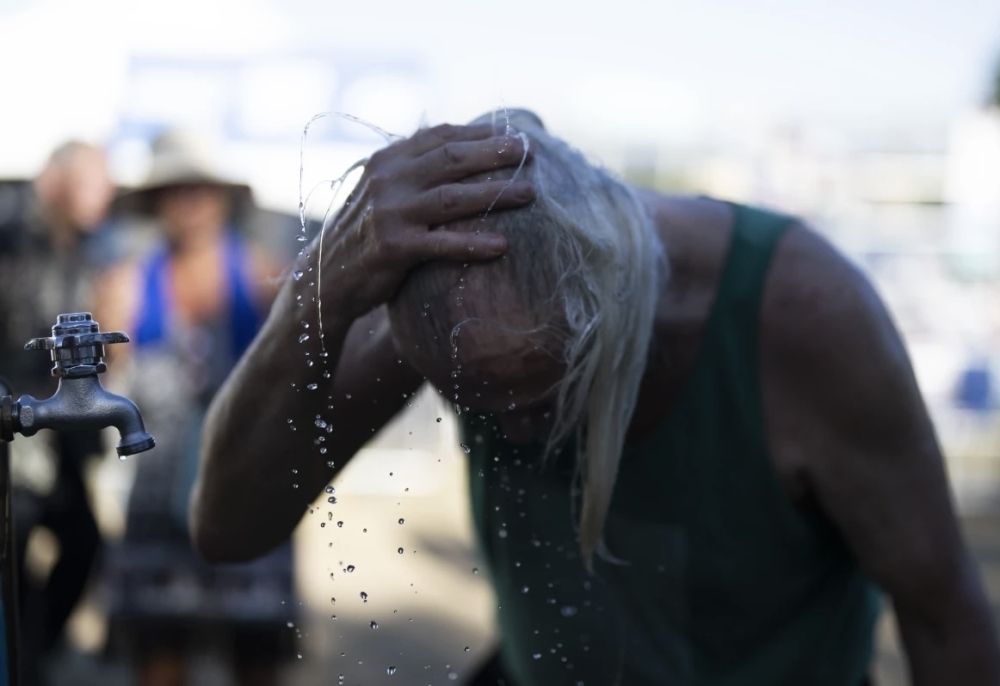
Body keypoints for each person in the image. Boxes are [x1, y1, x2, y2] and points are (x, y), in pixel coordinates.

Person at [191, 110, 1000, 685]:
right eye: (471, 401)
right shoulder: (447, 295)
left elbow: (946, 616)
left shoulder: (804, 319)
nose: (512, 430)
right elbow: (227, 529)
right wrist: (313, 293)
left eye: (544, 397)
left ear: (613, 314)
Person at [99, 129, 292, 686]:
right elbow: (106, 384)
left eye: (200, 189)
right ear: (157, 201)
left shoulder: (263, 276)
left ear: (222, 197)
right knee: (159, 659)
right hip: (158, 501)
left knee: (256, 659)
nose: (189, 202)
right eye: (175, 189)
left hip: (249, 491)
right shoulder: (127, 286)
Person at [0, 141, 117, 684]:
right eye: (92, 181)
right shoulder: (13, 233)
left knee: (83, 541)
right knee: (14, 548)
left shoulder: (81, 246)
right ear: (58, 181)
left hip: (52, 428)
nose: (106, 193)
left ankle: (34, 655)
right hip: (14, 420)